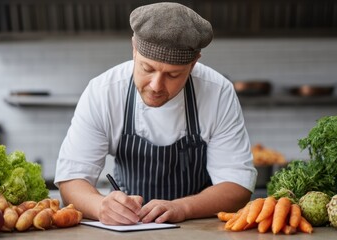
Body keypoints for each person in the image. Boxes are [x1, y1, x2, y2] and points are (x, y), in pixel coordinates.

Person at [54, 2, 257, 225]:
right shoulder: (104, 92)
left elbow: (237, 186)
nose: (156, 86)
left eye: (172, 75)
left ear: (193, 63)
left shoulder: (218, 93)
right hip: (126, 228)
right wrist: (101, 206)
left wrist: (183, 207)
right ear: (134, 48)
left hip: (197, 229)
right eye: (147, 69)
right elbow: (72, 178)